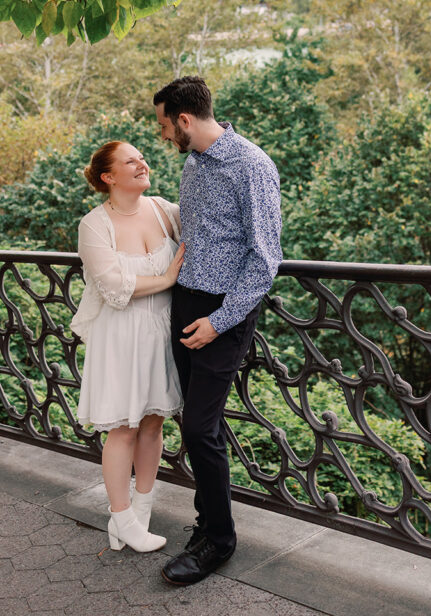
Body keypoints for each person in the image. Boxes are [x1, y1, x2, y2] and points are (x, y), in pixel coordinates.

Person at [153, 76, 282, 585]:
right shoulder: (192, 163)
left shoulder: (252, 166)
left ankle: (221, 542)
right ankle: (206, 521)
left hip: (222, 313)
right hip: (185, 301)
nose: (162, 134)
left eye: (164, 124)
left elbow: (265, 257)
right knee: (196, 422)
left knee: (199, 429)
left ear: (184, 119)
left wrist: (220, 321)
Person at [70, 140, 185, 554]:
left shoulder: (165, 210)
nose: (142, 164)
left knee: (154, 421)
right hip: (119, 334)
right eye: (130, 161)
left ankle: (142, 510)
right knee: (124, 428)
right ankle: (119, 515)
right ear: (108, 177)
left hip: (161, 332)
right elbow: (115, 287)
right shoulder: (94, 225)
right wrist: (169, 280)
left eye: (142, 157)